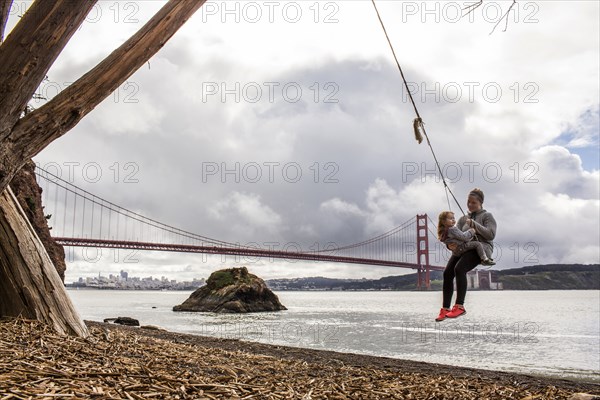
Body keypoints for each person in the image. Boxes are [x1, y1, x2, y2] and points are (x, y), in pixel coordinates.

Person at [435, 188, 497, 322]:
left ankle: (460, 306)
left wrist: (474, 224)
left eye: (473, 202)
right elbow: (454, 234)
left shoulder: (487, 216)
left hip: (482, 248)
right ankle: (445, 309)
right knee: (447, 273)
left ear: (480, 202)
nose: (470, 205)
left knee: (459, 269)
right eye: (468, 202)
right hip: (464, 248)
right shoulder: (463, 218)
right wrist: (449, 245)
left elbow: (491, 235)